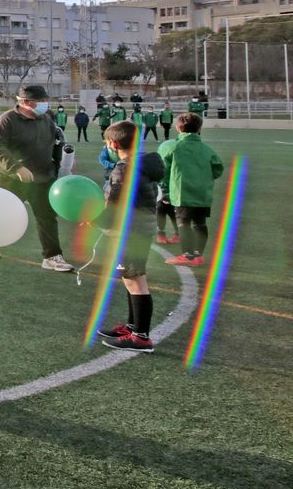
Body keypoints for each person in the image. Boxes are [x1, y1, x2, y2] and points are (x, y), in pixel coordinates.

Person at [94, 120, 167, 353]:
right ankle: (133, 325)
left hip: (130, 232)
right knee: (130, 278)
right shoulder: (144, 164)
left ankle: (141, 337)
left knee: (136, 280)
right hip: (140, 229)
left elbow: (115, 204)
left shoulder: (124, 168)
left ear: (113, 144)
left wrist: (95, 219)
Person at [0, 85, 74, 272]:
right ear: (26, 102)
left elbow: (55, 144)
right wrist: (17, 168)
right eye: (40, 101)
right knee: (5, 213)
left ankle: (52, 256)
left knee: (47, 216)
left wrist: (63, 165)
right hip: (11, 177)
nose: (44, 104)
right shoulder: (7, 119)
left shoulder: (46, 119)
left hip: (43, 176)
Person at [158, 112, 224, 267]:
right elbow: (218, 169)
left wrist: (164, 189)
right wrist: (202, 178)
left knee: (183, 222)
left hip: (182, 192)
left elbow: (162, 169)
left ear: (177, 128)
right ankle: (198, 255)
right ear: (199, 129)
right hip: (203, 192)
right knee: (200, 223)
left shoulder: (171, 146)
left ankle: (188, 256)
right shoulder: (207, 150)